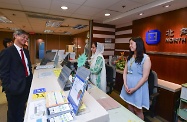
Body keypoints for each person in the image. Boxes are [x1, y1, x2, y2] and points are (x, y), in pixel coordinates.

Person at [0, 29, 33, 122]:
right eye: (23, 37)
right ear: (15, 36)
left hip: (26, 85)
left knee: (21, 108)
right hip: (14, 88)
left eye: (27, 38)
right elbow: (3, 72)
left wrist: (31, 80)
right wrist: (8, 88)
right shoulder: (7, 52)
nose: (25, 39)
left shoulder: (26, 51)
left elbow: (28, 67)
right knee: (13, 113)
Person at [120, 37, 151, 120]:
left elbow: (145, 77)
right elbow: (125, 72)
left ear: (138, 44)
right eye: (129, 44)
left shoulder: (146, 58)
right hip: (128, 86)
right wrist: (125, 84)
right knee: (129, 106)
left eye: (131, 44)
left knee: (137, 110)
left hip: (138, 88)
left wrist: (134, 88)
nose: (130, 46)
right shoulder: (130, 57)